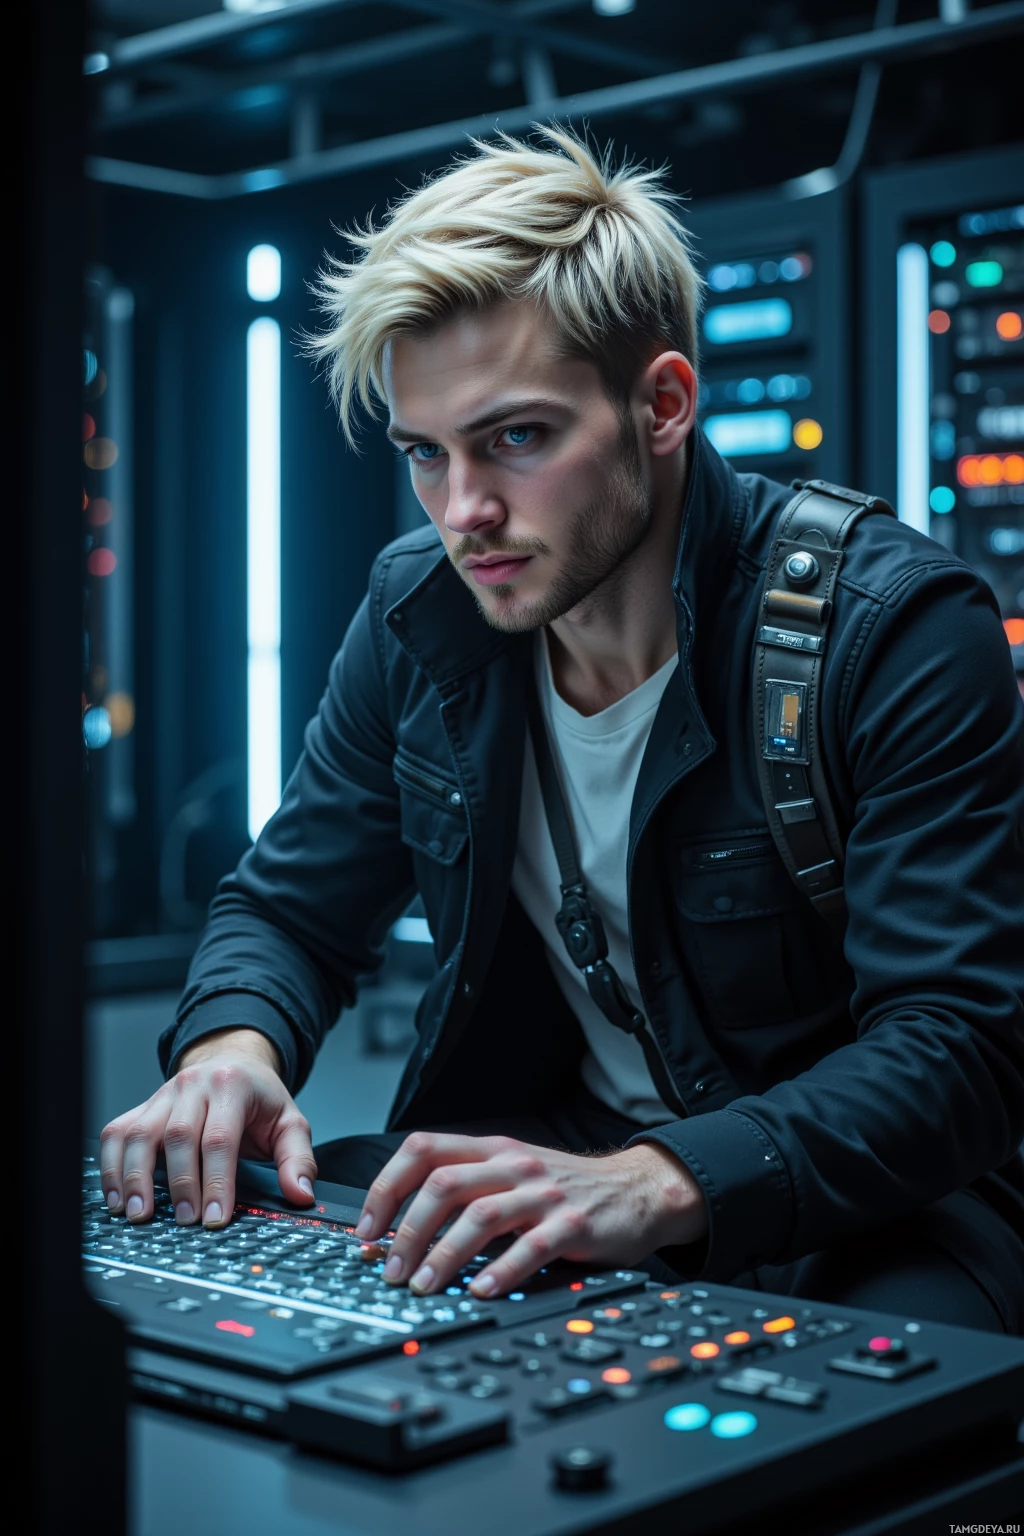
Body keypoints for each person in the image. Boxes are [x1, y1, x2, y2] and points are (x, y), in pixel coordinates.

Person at [100, 130, 1024, 1332]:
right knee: (231, 1249)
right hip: (554, 1160)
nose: (463, 512)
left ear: (663, 404)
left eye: (516, 439)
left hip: (869, 1199)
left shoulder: (892, 630)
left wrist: (655, 1181)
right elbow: (290, 908)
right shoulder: (416, 616)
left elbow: (958, 1046)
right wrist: (230, 1050)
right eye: (426, 455)